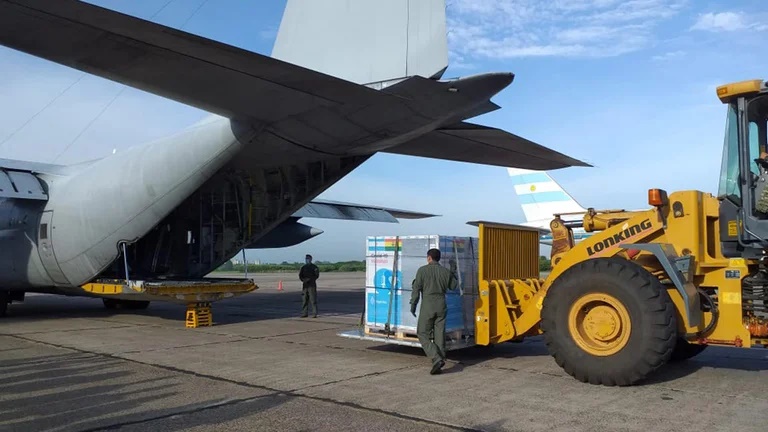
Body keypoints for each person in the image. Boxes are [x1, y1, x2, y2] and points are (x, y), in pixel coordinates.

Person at [410, 248, 458, 374]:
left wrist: (413, 304)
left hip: (428, 304)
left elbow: (416, 289)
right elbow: (453, 286)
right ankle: (440, 361)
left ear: (429, 258)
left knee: (422, 333)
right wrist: (453, 271)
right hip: (441, 304)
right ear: (439, 258)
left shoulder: (422, 270)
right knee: (439, 335)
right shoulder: (445, 271)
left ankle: (436, 358)